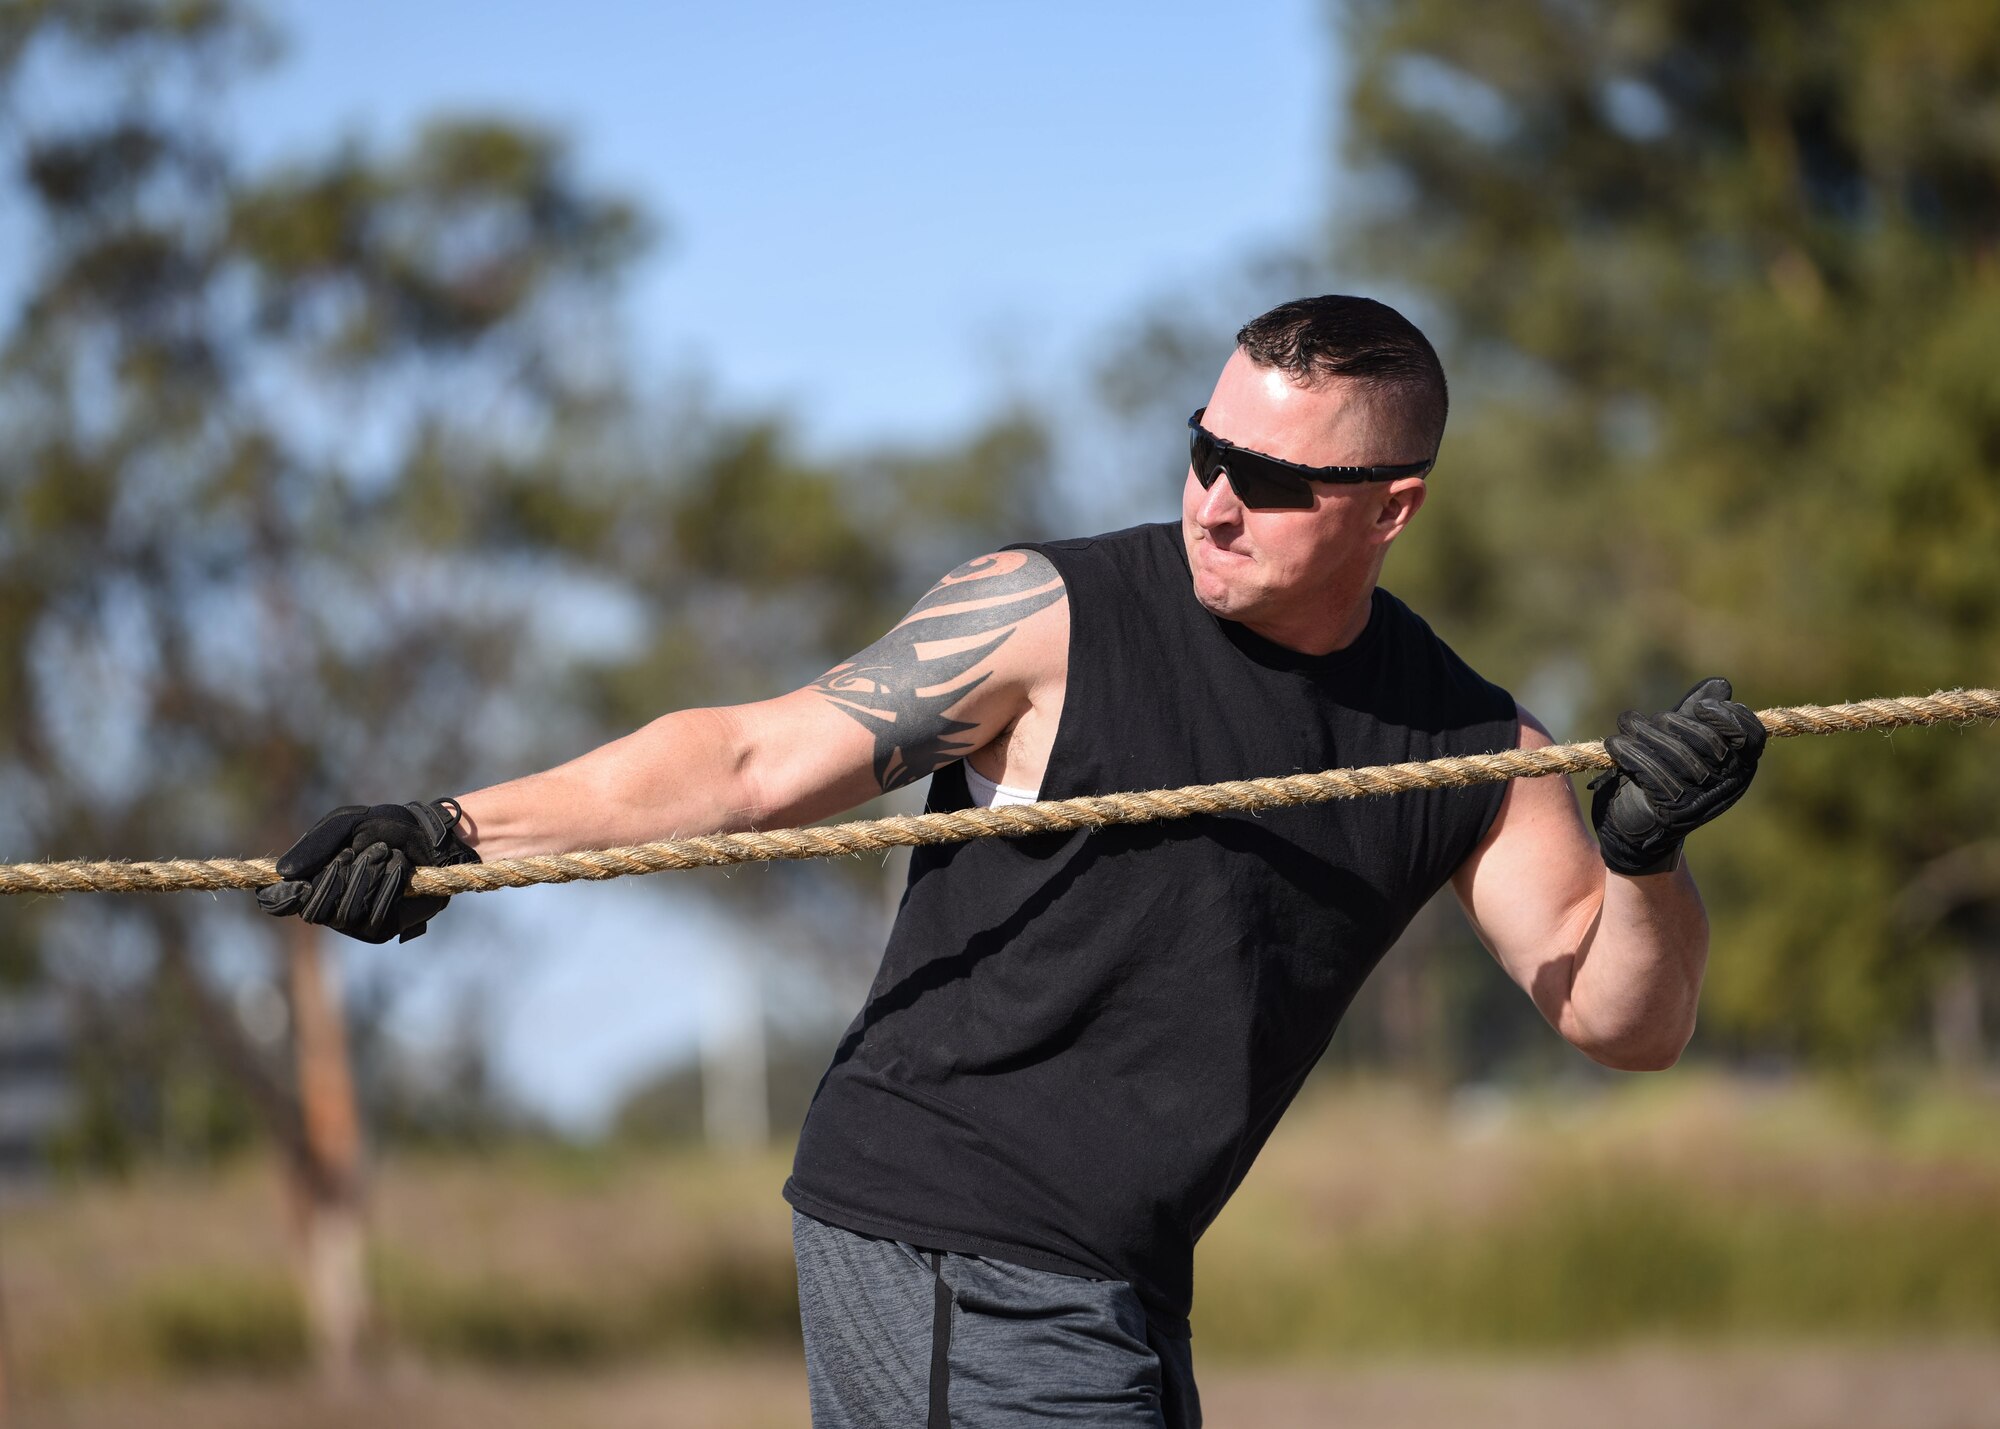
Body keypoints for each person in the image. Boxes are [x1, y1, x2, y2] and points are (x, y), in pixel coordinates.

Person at [259, 296, 1764, 1428]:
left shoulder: (1466, 738)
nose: (1215, 498)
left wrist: (1645, 858)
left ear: (1394, 510)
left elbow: (1624, 1019)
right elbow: (750, 761)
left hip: (1119, 1269)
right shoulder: (1044, 618)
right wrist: (452, 834)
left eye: (1271, 480)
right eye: (1205, 448)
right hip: (946, 1228)